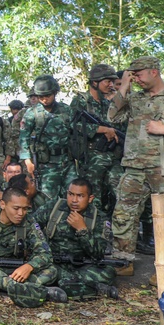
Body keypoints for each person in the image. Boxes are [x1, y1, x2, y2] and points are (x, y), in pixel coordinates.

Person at [107, 56, 164, 278]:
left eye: (138, 74)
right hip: (134, 167)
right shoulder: (135, 99)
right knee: (124, 213)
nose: (136, 79)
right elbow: (112, 117)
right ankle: (123, 261)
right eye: (132, 75)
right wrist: (124, 86)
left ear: (154, 71)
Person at [0, 186, 66, 307]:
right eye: (16, 208)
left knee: (52, 271)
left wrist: (29, 266)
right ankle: (21, 288)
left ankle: (0, 285)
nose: (21, 213)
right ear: (3, 204)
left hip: (12, 268)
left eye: (25, 209)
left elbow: (45, 254)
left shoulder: (29, 222)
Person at [35, 177, 119, 300]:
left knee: (108, 272)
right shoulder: (54, 207)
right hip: (52, 263)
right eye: (71, 194)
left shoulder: (99, 218)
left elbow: (98, 253)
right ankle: (88, 288)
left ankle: (60, 285)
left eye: (80, 196)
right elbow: (32, 226)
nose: (74, 200)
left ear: (90, 198)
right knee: (39, 269)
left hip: (82, 266)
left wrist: (82, 230)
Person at [68, 64, 124, 218]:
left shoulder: (107, 104)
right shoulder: (81, 101)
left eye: (113, 81)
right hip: (92, 157)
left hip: (112, 156)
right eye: (107, 81)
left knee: (121, 192)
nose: (111, 85)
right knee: (94, 196)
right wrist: (103, 130)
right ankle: (94, 229)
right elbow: (72, 124)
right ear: (94, 82)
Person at [19, 75, 73, 201]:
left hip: (67, 161)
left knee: (72, 195)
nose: (44, 100)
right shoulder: (32, 113)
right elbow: (23, 138)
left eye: (47, 96)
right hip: (47, 164)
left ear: (54, 93)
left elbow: (75, 130)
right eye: (40, 97)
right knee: (48, 198)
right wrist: (27, 161)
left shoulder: (65, 109)